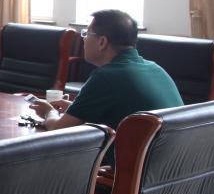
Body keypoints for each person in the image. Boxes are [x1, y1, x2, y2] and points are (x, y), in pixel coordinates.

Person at [29, 9, 183, 133]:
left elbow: (58, 129)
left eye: (86, 34)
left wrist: (48, 112)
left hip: (132, 162)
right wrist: (74, 108)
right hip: (172, 160)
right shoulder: (156, 69)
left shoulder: (107, 76)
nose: (83, 39)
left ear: (102, 42)